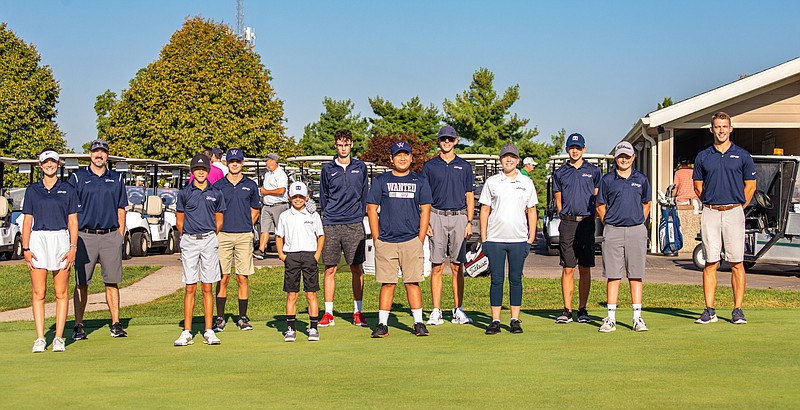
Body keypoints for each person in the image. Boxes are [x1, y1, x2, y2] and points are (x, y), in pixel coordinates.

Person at [693, 111, 756, 325]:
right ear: (711, 129)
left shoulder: (743, 156)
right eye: (717, 126)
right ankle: (709, 310)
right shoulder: (703, 156)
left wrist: (738, 206)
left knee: (737, 262)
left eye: (724, 126)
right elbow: (697, 186)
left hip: (734, 212)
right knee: (711, 261)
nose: (721, 130)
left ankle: (737, 310)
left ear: (730, 129)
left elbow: (751, 186)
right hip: (710, 212)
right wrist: (710, 202)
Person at [367, 141, 432, 338]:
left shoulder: (419, 181)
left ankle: (418, 322)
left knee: (412, 282)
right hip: (386, 241)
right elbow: (371, 208)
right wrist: (377, 238)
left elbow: (425, 210)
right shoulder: (381, 181)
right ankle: (382, 324)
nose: (402, 158)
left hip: (411, 240)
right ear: (391, 159)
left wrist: (420, 238)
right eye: (398, 155)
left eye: (406, 155)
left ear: (411, 158)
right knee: (387, 283)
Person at [69, 139, 128, 340]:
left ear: (107, 155)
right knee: (81, 283)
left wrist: (120, 234)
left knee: (112, 282)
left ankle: (116, 323)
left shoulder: (117, 178)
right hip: (85, 236)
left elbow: (122, 208)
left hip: (111, 234)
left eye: (103, 152)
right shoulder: (78, 177)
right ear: (90, 154)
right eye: (96, 151)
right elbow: (71, 210)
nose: (99, 155)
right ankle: (78, 325)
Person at [21, 149, 78, 353]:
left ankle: (59, 338)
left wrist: (73, 247)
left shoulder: (68, 189)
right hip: (39, 239)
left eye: (53, 161)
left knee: (61, 292)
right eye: (46, 162)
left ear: (58, 164)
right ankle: (39, 338)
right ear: (40, 165)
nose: (50, 165)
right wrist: (26, 248)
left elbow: (73, 220)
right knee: (39, 292)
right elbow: (27, 220)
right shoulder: (32, 190)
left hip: (61, 239)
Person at [479, 144, 538, 335]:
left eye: (512, 157)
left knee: (515, 279)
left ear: (518, 160)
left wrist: (531, 237)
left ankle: (514, 319)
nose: (509, 160)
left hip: (519, 239)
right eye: (505, 157)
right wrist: (484, 238)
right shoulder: (492, 182)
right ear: (501, 160)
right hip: (495, 239)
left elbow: (531, 210)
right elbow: (485, 210)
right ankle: (495, 320)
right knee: (496, 280)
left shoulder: (526, 182)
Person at [595, 141, 652, 333]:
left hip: (636, 230)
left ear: (633, 157)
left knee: (635, 274)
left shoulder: (641, 179)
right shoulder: (607, 180)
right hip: (613, 231)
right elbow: (600, 205)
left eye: (627, 156)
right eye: (621, 156)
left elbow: (646, 203)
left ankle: (637, 318)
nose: (624, 160)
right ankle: (611, 319)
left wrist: (637, 221)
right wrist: (609, 223)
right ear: (616, 158)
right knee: (613, 274)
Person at [422, 125, 475, 325]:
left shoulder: (464, 166)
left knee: (457, 265)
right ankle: (436, 310)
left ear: (455, 141)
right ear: (439, 141)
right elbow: (425, 197)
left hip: (459, 216)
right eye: (443, 139)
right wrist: (425, 222)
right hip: (436, 215)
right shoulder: (429, 166)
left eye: (450, 139)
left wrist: (469, 222)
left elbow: (469, 196)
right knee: (436, 265)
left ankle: (458, 309)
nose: (447, 142)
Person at [173, 154, 226, 346]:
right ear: (192, 171)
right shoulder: (185, 193)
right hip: (190, 241)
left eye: (203, 169)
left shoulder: (216, 193)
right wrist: (188, 234)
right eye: (197, 169)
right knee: (190, 286)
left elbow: (219, 219)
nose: (201, 172)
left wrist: (209, 233)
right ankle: (187, 331)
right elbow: (180, 219)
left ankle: (209, 330)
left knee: (207, 286)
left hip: (209, 240)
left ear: (208, 171)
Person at [319, 129, 369, 327]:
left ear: (351, 145)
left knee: (356, 267)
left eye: (346, 145)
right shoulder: (327, 169)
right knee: (330, 268)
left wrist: (358, 213)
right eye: (340, 145)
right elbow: (324, 195)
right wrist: (329, 214)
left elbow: (364, 193)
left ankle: (358, 312)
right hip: (331, 222)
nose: (343, 148)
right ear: (335, 146)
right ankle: (328, 313)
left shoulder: (361, 167)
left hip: (354, 222)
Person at [552, 133, 601, 324]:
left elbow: (597, 198)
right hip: (568, 223)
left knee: (585, 267)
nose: (575, 150)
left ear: (584, 149)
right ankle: (567, 310)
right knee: (568, 268)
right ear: (567, 150)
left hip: (587, 222)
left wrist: (593, 218)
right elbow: (558, 199)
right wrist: (564, 215)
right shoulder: (560, 173)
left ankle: (582, 309)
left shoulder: (594, 171)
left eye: (578, 148)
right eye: (572, 147)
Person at [213, 148, 261, 332]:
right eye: (231, 161)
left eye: (237, 161)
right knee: (222, 277)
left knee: (242, 277)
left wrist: (246, 223)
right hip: (223, 234)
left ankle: (242, 317)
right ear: (226, 163)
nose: (234, 164)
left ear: (242, 163)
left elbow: (255, 210)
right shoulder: (218, 186)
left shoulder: (251, 184)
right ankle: (219, 318)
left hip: (243, 235)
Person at [276, 181, 325, 342]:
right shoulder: (284, 216)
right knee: (292, 294)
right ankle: (291, 329)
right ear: (289, 197)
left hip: (309, 255)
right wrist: (282, 255)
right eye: (295, 197)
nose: (298, 200)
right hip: (292, 256)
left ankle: (313, 328)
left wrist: (316, 255)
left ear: (307, 197)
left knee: (311, 293)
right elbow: (279, 236)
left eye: (301, 197)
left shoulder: (313, 215)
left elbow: (321, 236)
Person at [253, 152, 289, 260]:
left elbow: (281, 190)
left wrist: (266, 191)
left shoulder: (281, 174)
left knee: (281, 229)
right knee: (264, 228)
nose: (266, 163)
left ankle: (285, 250)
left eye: (267, 161)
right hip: (267, 205)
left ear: (273, 161)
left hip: (279, 205)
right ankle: (261, 250)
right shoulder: (267, 174)